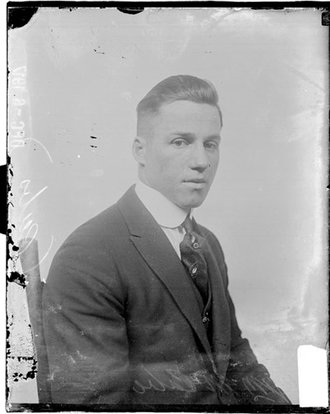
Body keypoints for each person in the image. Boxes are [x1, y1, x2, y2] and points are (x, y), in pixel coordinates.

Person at [42, 75, 291, 406]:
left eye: (210, 144)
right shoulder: (89, 255)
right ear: (140, 151)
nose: (201, 161)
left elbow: (235, 357)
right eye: (180, 142)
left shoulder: (207, 245)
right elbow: (95, 405)